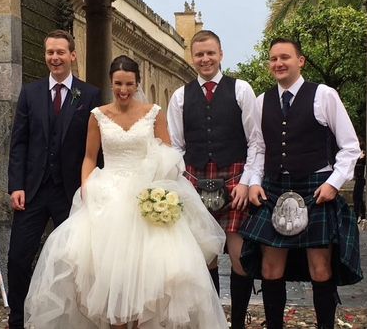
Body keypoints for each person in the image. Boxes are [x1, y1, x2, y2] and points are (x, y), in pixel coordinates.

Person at [25, 55, 228, 328]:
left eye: (129, 84)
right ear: (111, 83)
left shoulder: (154, 113)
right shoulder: (98, 116)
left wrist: (159, 190)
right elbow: (89, 157)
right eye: (118, 84)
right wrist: (86, 188)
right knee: (108, 276)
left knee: (149, 276)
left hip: (145, 196)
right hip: (108, 195)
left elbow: (168, 154)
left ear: (137, 83)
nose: (123, 90)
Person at [241, 38, 363, 329]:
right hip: (272, 188)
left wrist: (334, 183)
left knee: (320, 268)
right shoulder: (261, 101)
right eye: (273, 59)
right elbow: (258, 148)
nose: (278, 64)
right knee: (270, 268)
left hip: (316, 187)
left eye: (285, 57)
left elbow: (350, 146)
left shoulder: (324, 95)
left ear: (300, 61)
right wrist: (254, 182)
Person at [6, 30, 101, 329]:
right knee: (19, 258)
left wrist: (94, 188)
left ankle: (72, 318)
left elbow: (96, 149)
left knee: (75, 261)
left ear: (73, 55)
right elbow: (18, 143)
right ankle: (18, 319)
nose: (55, 58)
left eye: (60, 52)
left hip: (70, 193)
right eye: (50, 52)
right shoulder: (30, 93)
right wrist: (16, 185)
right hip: (33, 191)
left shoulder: (90, 95)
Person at [167, 29, 261, 329]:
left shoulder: (241, 90)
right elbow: (175, 146)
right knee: (205, 259)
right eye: (199, 54)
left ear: (221, 54)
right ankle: (213, 320)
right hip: (195, 181)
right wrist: (182, 184)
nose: (205, 59)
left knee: (238, 258)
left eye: (210, 53)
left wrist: (246, 182)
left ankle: (237, 324)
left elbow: (255, 142)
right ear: (192, 58)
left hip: (235, 180)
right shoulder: (180, 96)